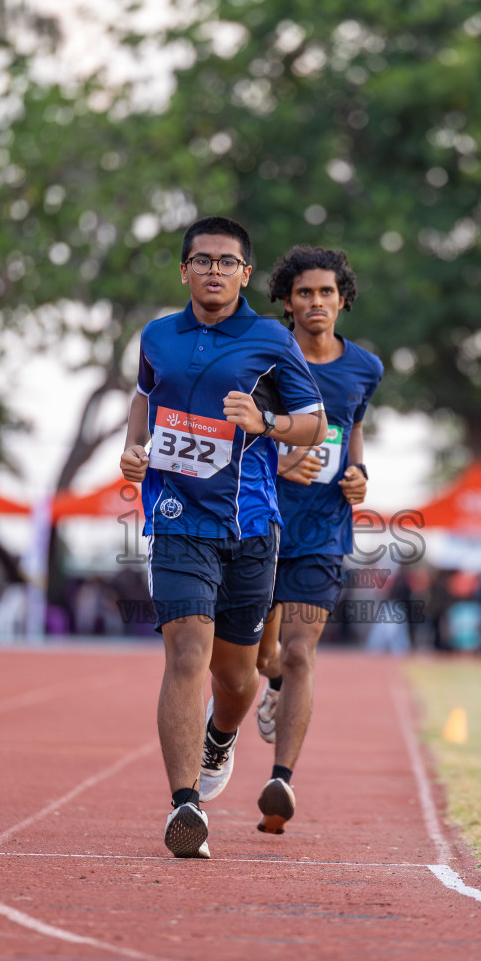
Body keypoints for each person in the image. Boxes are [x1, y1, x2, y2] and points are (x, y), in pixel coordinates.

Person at [119, 215, 326, 859]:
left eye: (226, 262)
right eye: (202, 260)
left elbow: (313, 425)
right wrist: (134, 447)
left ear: (243, 273)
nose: (214, 270)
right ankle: (186, 804)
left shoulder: (268, 340)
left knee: (235, 679)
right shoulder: (157, 335)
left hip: (250, 525)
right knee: (186, 653)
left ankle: (219, 737)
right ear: (184, 270)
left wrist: (264, 420)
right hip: (178, 517)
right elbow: (142, 396)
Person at [251, 245, 383, 834]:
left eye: (326, 292)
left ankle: (282, 780)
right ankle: (270, 681)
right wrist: (281, 462)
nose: (316, 303)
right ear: (286, 302)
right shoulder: (264, 359)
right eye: (304, 293)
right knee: (264, 656)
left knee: (302, 651)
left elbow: (352, 431)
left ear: (343, 300)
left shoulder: (364, 368)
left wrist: (357, 475)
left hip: (323, 531)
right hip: (258, 522)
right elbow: (241, 433)